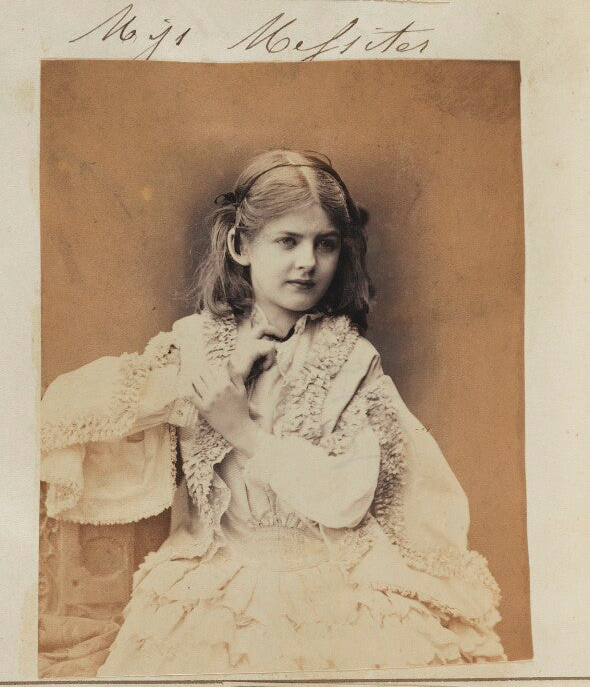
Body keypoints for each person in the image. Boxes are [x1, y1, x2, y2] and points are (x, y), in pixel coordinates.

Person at [40, 149, 505, 676]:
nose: (308, 261)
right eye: (287, 240)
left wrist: (242, 429)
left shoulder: (351, 360)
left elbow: (346, 500)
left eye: (325, 243)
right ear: (241, 245)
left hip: (330, 586)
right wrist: (218, 378)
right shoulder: (195, 344)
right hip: (212, 586)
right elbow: (68, 413)